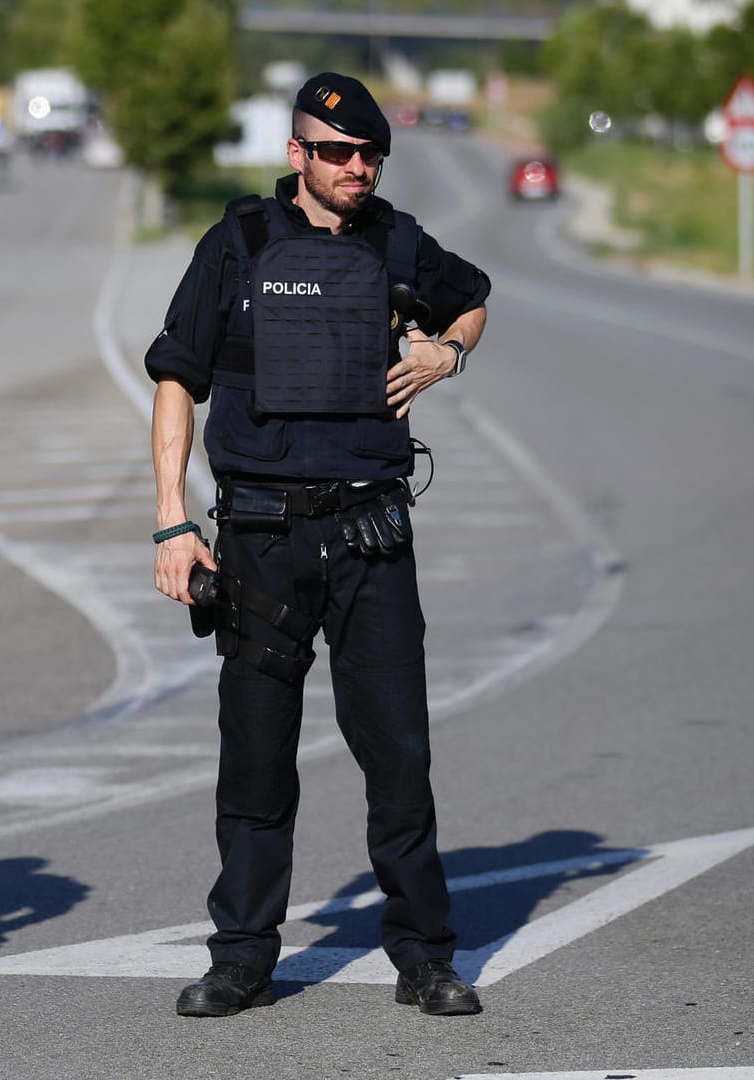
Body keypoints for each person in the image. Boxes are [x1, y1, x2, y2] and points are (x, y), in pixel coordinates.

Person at [145, 73, 491, 1020]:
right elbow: (176, 378)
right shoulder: (239, 245)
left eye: (370, 155)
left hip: (371, 532)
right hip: (258, 538)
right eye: (337, 153)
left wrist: (446, 353)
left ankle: (424, 958)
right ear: (296, 153)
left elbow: (473, 297)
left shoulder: (398, 241)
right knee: (255, 759)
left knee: (399, 756)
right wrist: (174, 521)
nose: (357, 168)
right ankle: (242, 958)